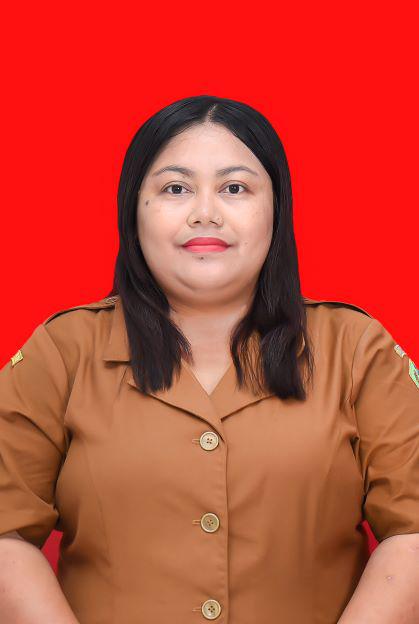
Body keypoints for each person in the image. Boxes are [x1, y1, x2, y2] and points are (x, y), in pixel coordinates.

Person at [0, 95, 418, 624]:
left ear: (277, 209)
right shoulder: (62, 351)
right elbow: (5, 534)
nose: (205, 212)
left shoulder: (357, 349)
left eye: (235, 188)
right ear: (133, 209)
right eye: (175, 189)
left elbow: (413, 532)